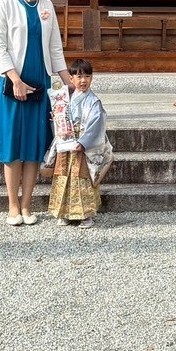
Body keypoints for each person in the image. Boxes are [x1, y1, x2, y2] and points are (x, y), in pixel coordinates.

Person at [0, 0, 71, 227]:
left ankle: (27, 205)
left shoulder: (47, 6)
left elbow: (55, 48)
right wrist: (15, 80)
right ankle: (12, 206)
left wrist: (68, 81)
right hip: (12, 83)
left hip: (40, 82)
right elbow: (0, 47)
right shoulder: (5, 5)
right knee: (13, 144)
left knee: (34, 144)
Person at [45, 58, 110, 226]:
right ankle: (64, 212)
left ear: (92, 78)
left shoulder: (94, 101)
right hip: (66, 144)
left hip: (82, 146)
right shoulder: (66, 99)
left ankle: (85, 214)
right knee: (63, 176)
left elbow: (97, 124)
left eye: (87, 76)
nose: (83, 81)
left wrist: (84, 142)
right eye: (79, 76)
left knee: (82, 178)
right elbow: (61, 118)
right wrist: (57, 118)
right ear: (71, 78)